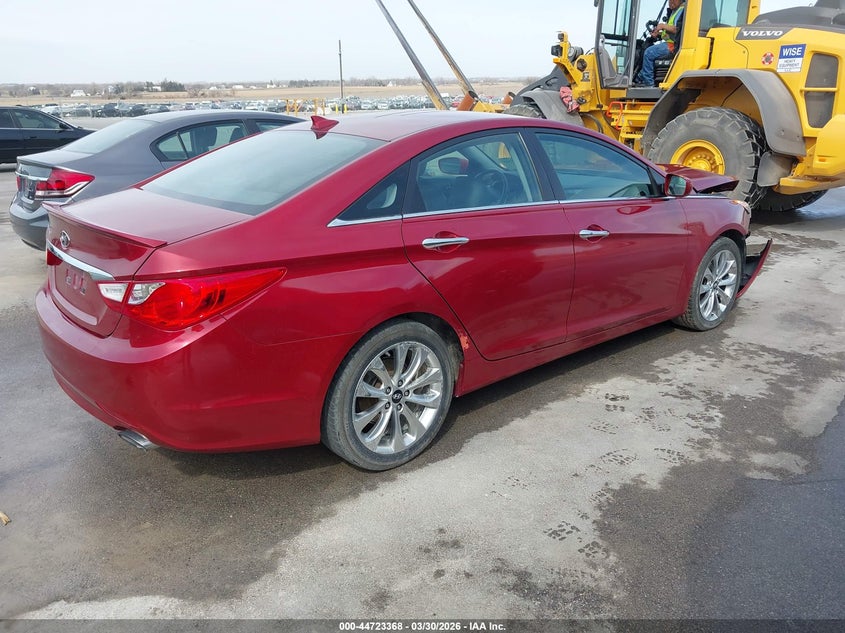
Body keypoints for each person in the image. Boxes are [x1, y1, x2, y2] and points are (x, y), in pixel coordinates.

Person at [635, 0, 686, 87]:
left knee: (648, 53)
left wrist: (662, 26)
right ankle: (640, 77)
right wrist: (658, 34)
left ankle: (649, 84)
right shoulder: (675, 11)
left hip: (673, 46)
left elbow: (676, 29)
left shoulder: (682, 10)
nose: (671, 2)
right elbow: (669, 34)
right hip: (670, 43)